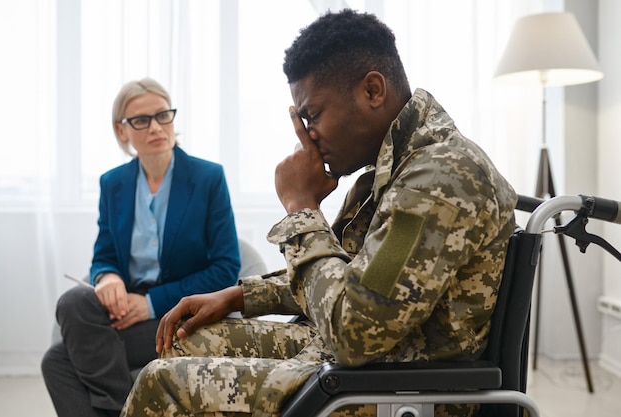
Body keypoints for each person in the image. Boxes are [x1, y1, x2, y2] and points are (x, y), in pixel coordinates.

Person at [120, 9, 517, 417]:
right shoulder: (395, 169)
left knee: (161, 383)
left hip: (399, 386)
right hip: (363, 361)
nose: (307, 135)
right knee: (184, 342)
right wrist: (238, 295)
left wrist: (300, 206)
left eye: (312, 115)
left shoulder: (437, 179)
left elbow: (353, 330)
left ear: (373, 91)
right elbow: (345, 278)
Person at [41, 77, 241, 417]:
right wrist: (108, 279)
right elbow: (103, 255)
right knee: (73, 301)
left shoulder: (208, 178)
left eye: (163, 115)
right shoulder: (113, 183)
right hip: (126, 313)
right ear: (123, 131)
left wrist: (149, 304)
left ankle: (112, 410)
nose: (156, 127)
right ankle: (123, 409)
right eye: (141, 120)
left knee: (57, 361)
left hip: (179, 314)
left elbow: (226, 269)